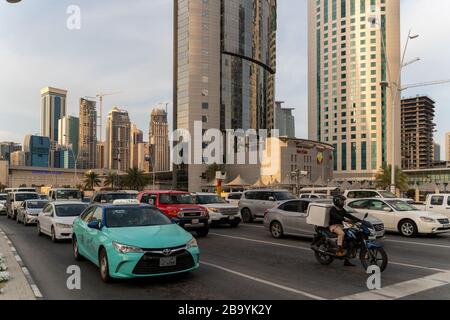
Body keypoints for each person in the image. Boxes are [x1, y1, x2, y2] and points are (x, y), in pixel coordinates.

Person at [329, 195, 361, 263]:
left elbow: (348, 215)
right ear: (337, 201)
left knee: (351, 239)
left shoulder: (342, 209)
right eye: (342, 201)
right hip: (334, 226)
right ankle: (339, 249)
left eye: (343, 201)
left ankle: (347, 259)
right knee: (341, 233)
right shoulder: (333, 209)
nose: (343, 203)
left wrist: (358, 219)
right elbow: (337, 217)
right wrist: (345, 220)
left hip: (341, 226)